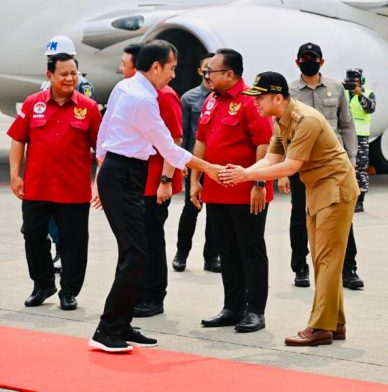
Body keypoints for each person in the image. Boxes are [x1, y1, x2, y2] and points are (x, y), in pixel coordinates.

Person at [90, 40, 226, 353]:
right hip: (123, 174)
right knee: (137, 252)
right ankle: (107, 329)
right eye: (172, 68)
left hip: (123, 172)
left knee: (137, 251)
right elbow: (169, 148)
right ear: (155, 67)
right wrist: (208, 168)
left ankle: (120, 324)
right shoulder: (141, 99)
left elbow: (104, 133)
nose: (173, 75)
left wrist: (102, 170)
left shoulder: (126, 88)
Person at [219, 71, 359, 347]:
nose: (255, 102)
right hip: (318, 188)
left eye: (259, 97)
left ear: (278, 97)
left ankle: (321, 326)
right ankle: (336, 322)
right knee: (323, 258)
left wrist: (245, 177)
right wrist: (244, 172)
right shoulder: (281, 120)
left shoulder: (305, 120)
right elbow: (272, 157)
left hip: (335, 187)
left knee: (326, 260)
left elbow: (290, 166)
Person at [8, 53, 101, 310]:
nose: (70, 78)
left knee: (73, 242)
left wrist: (99, 184)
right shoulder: (32, 104)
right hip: (37, 188)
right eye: (64, 74)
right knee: (32, 235)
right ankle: (43, 284)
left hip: (74, 191)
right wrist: (15, 175)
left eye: (74, 73)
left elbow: (102, 150)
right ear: (50, 76)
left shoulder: (89, 108)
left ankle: (69, 291)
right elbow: (18, 139)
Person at [194, 49, 274, 333]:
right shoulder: (210, 101)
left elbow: (264, 146)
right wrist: (196, 180)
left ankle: (255, 311)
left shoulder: (250, 102)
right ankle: (232, 307)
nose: (207, 76)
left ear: (229, 74)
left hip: (246, 191)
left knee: (250, 249)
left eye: (211, 72)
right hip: (216, 191)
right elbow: (201, 142)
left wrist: (259, 183)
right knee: (226, 250)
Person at [279, 42, 363, 290]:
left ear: (321, 62)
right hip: (301, 163)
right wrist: (284, 170)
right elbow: (282, 130)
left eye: (313, 58)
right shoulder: (290, 92)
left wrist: (351, 160)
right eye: (304, 58)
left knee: (341, 215)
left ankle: (349, 268)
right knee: (300, 215)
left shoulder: (336, 88)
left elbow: (347, 125)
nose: (309, 62)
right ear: (297, 63)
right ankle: (300, 267)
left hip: (332, 164)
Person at [40, 36, 96, 273]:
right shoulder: (47, 83)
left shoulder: (82, 85)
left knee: (67, 220)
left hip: (70, 163)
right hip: (48, 166)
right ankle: (58, 249)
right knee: (49, 219)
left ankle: (64, 252)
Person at [133, 64, 184, 318]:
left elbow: (175, 139)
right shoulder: (138, 94)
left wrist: (165, 180)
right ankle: (140, 292)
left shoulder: (165, 95)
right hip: (139, 182)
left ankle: (154, 296)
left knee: (152, 240)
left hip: (155, 183)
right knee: (139, 242)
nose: (122, 69)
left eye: (125, 64)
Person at [173, 53, 220, 273]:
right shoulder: (189, 98)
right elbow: (181, 133)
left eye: (214, 69)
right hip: (195, 163)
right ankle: (181, 254)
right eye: (206, 69)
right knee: (190, 210)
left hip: (218, 164)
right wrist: (181, 161)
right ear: (200, 71)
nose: (210, 74)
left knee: (215, 214)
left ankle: (211, 257)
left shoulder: (225, 98)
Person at [343, 68, 376, 213]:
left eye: (354, 82)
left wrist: (359, 94)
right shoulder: (342, 93)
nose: (352, 84)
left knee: (360, 168)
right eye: (349, 81)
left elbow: (371, 108)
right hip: (344, 135)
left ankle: (360, 200)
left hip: (361, 136)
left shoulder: (367, 94)